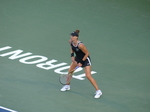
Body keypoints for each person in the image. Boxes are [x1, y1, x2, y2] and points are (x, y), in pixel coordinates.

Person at [60, 30, 102, 99]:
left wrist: (81, 62)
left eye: (73, 36)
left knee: (88, 76)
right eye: (71, 36)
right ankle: (67, 86)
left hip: (85, 60)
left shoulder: (81, 45)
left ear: (76, 37)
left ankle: (98, 91)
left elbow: (87, 53)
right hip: (77, 58)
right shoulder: (71, 42)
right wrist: (72, 56)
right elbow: (72, 48)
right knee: (70, 72)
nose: (71, 37)